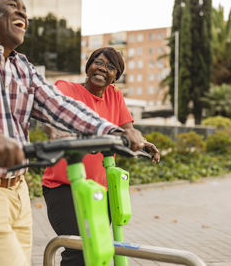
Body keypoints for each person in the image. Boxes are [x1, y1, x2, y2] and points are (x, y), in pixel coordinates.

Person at [0, 0, 160, 265]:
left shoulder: (21, 66)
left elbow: (60, 106)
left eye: (24, 7)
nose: (22, 11)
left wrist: (113, 132)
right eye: (13, 4)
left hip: (16, 190)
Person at [42, 47, 159, 266]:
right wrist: (55, 132)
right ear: (88, 66)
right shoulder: (66, 88)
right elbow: (51, 115)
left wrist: (141, 142)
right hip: (63, 187)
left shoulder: (115, 96)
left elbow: (128, 129)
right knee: (80, 250)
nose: (102, 69)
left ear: (116, 76)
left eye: (110, 67)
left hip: (99, 190)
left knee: (100, 250)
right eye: (98, 62)